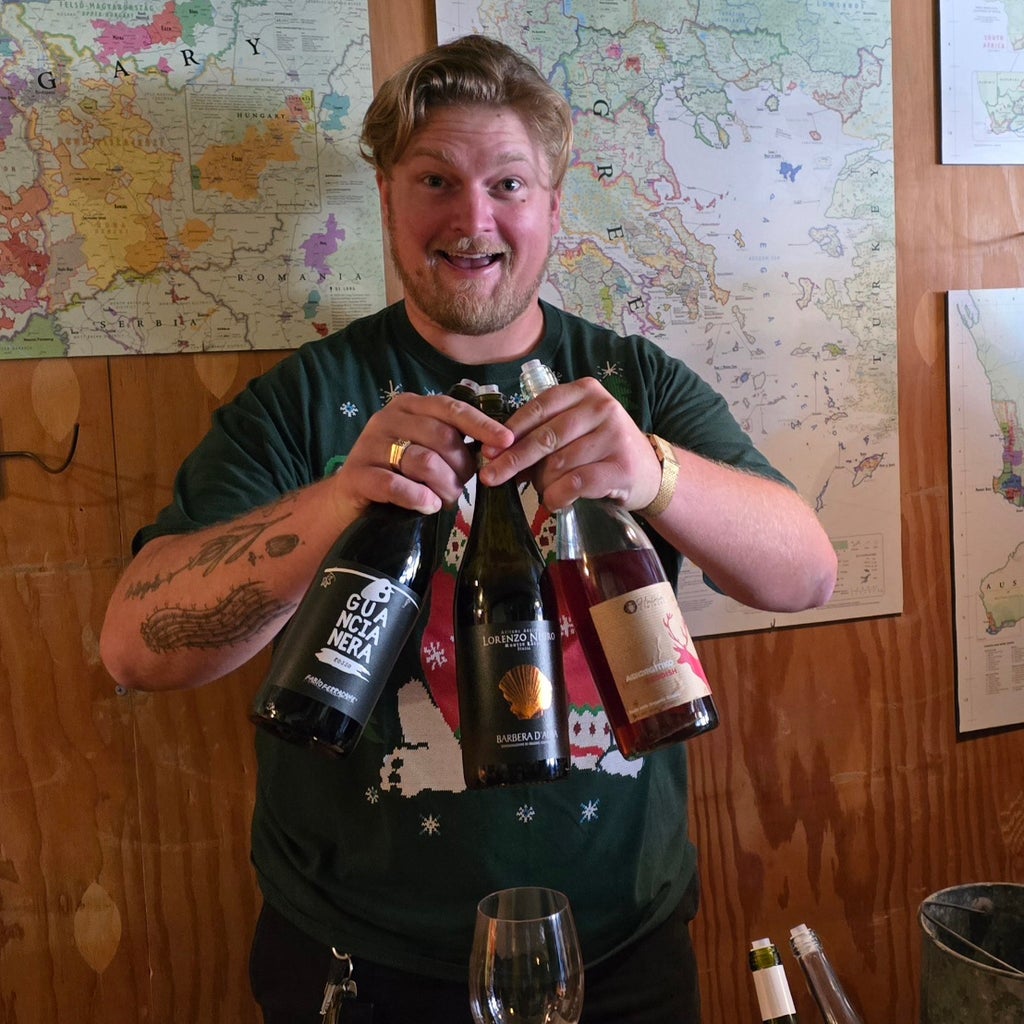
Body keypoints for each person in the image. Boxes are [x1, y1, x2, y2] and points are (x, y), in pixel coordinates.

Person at [100, 34, 837, 1024]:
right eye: (436, 180)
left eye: (508, 184)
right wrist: (340, 501)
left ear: (552, 209)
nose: (472, 218)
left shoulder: (634, 383)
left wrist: (653, 471)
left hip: (624, 956)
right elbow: (135, 648)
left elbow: (805, 574)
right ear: (389, 201)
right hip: (364, 967)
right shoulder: (305, 399)